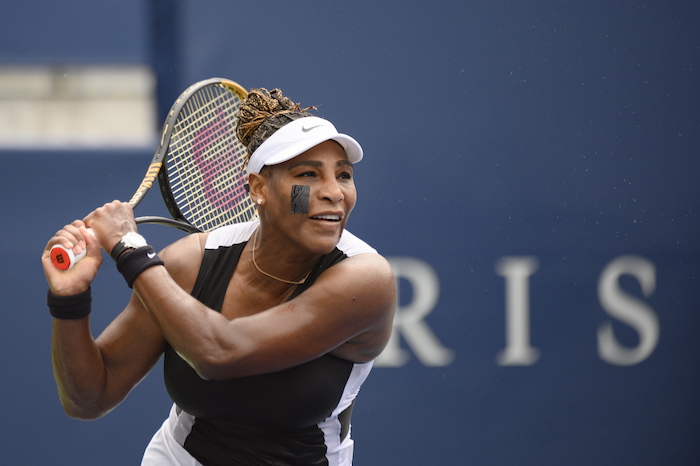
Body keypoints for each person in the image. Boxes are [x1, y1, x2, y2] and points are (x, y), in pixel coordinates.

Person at [41, 87, 396, 466]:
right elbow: (89, 398)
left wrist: (130, 249)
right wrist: (69, 300)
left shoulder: (366, 280)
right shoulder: (190, 262)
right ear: (258, 188)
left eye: (344, 175)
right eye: (308, 174)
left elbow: (219, 354)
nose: (334, 193)